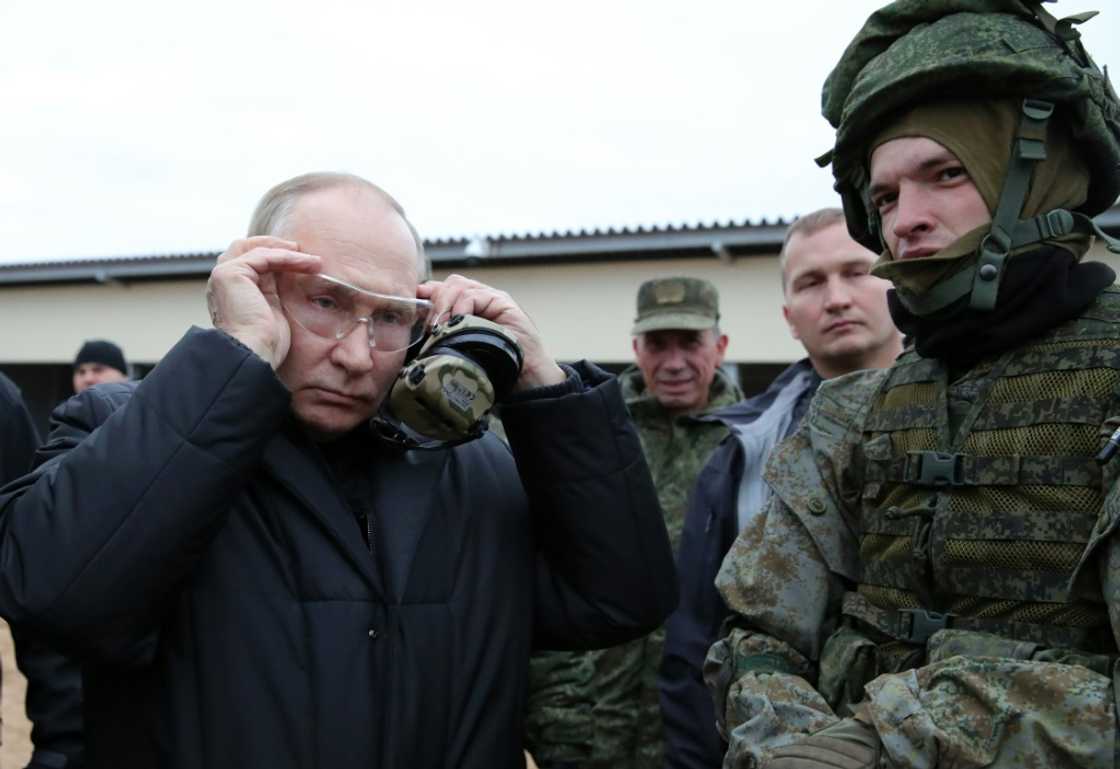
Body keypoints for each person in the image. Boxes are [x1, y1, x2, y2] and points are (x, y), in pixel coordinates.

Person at [0, 171, 677, 769]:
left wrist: (543, 385)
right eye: (325, 302)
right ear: (255, 285)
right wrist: (236, 356)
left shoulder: (474, 468)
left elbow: (623, 599)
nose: (357, 355)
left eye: (391, 316)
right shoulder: (122, 427)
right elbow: (56, 595)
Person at [706, 2, 1120, 767]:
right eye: (886, 198)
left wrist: (886, 740)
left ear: (1037, 173)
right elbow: (759, 632)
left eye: (946, 174)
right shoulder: (851, 410)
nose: (906, 222)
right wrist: (790, 743)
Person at [660, 208, 902, 769]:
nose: (836, 298)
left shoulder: (981, 416)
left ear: (896, 281)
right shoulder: (742, 451)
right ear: (790, 317)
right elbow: (696, 636)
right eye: (811, 282)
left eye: (856, 272)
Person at [526, 277, 742, 769]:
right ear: (635, 349)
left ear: (721, 346)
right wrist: (555, 717)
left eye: (690, 342)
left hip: (698, 734)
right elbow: (545, 571)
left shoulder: (751, 442)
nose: (673, 362)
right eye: (657, 344)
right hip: (583, 729)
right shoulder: (589, 433)